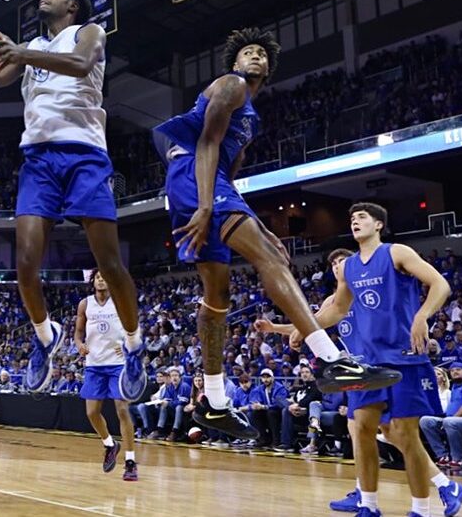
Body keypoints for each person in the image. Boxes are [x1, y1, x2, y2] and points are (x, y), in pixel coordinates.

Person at [152, 29, 402, 441]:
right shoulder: (231, 86)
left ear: (268, 68)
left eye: (261, 54)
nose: (255, 57)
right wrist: (205, 205)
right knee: (270, 258)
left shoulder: (250, 118)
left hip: (207, 183)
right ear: (234, 64)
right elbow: (207, 144)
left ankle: (213, 402)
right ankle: (330, 359)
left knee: (217, 297)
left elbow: (228, 171)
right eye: (247, 52)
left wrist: (253, 219)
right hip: (194, 178)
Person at [0, 0, 146, 400]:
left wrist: (22, 53)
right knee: (25, 264)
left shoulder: (89, 31)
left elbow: (83, 64)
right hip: (38, 159)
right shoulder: (29, 45)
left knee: (109, 262)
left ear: (72, 5)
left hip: (85, 155)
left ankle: (136, 345)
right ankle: (45, 335)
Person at [260, 204, 462, 517]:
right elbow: (336, 311)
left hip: (403, 358)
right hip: (366, 364)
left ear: (379, 224)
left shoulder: (397, 252)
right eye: (352, 218)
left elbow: (441, 284)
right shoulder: (350, 268)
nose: (355, 221)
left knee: (405, 434)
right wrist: (303, 328)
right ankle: (368, 505)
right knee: (362, 429)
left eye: (362, 217)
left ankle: (422, 510)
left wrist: (422, 315)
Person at [75, 269, 138, 481]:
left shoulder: (120, 300)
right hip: (94, 364)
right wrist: (79, 344)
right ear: (93, 281)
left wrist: (127, 345)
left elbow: (134, 327)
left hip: (118, 364)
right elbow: (78, 332)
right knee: (91, 412)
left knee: (122, 410)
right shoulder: (85, 304)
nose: (101, 279)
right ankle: (110, 445)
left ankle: (130, 462)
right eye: (98, 277)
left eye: (105, 276)